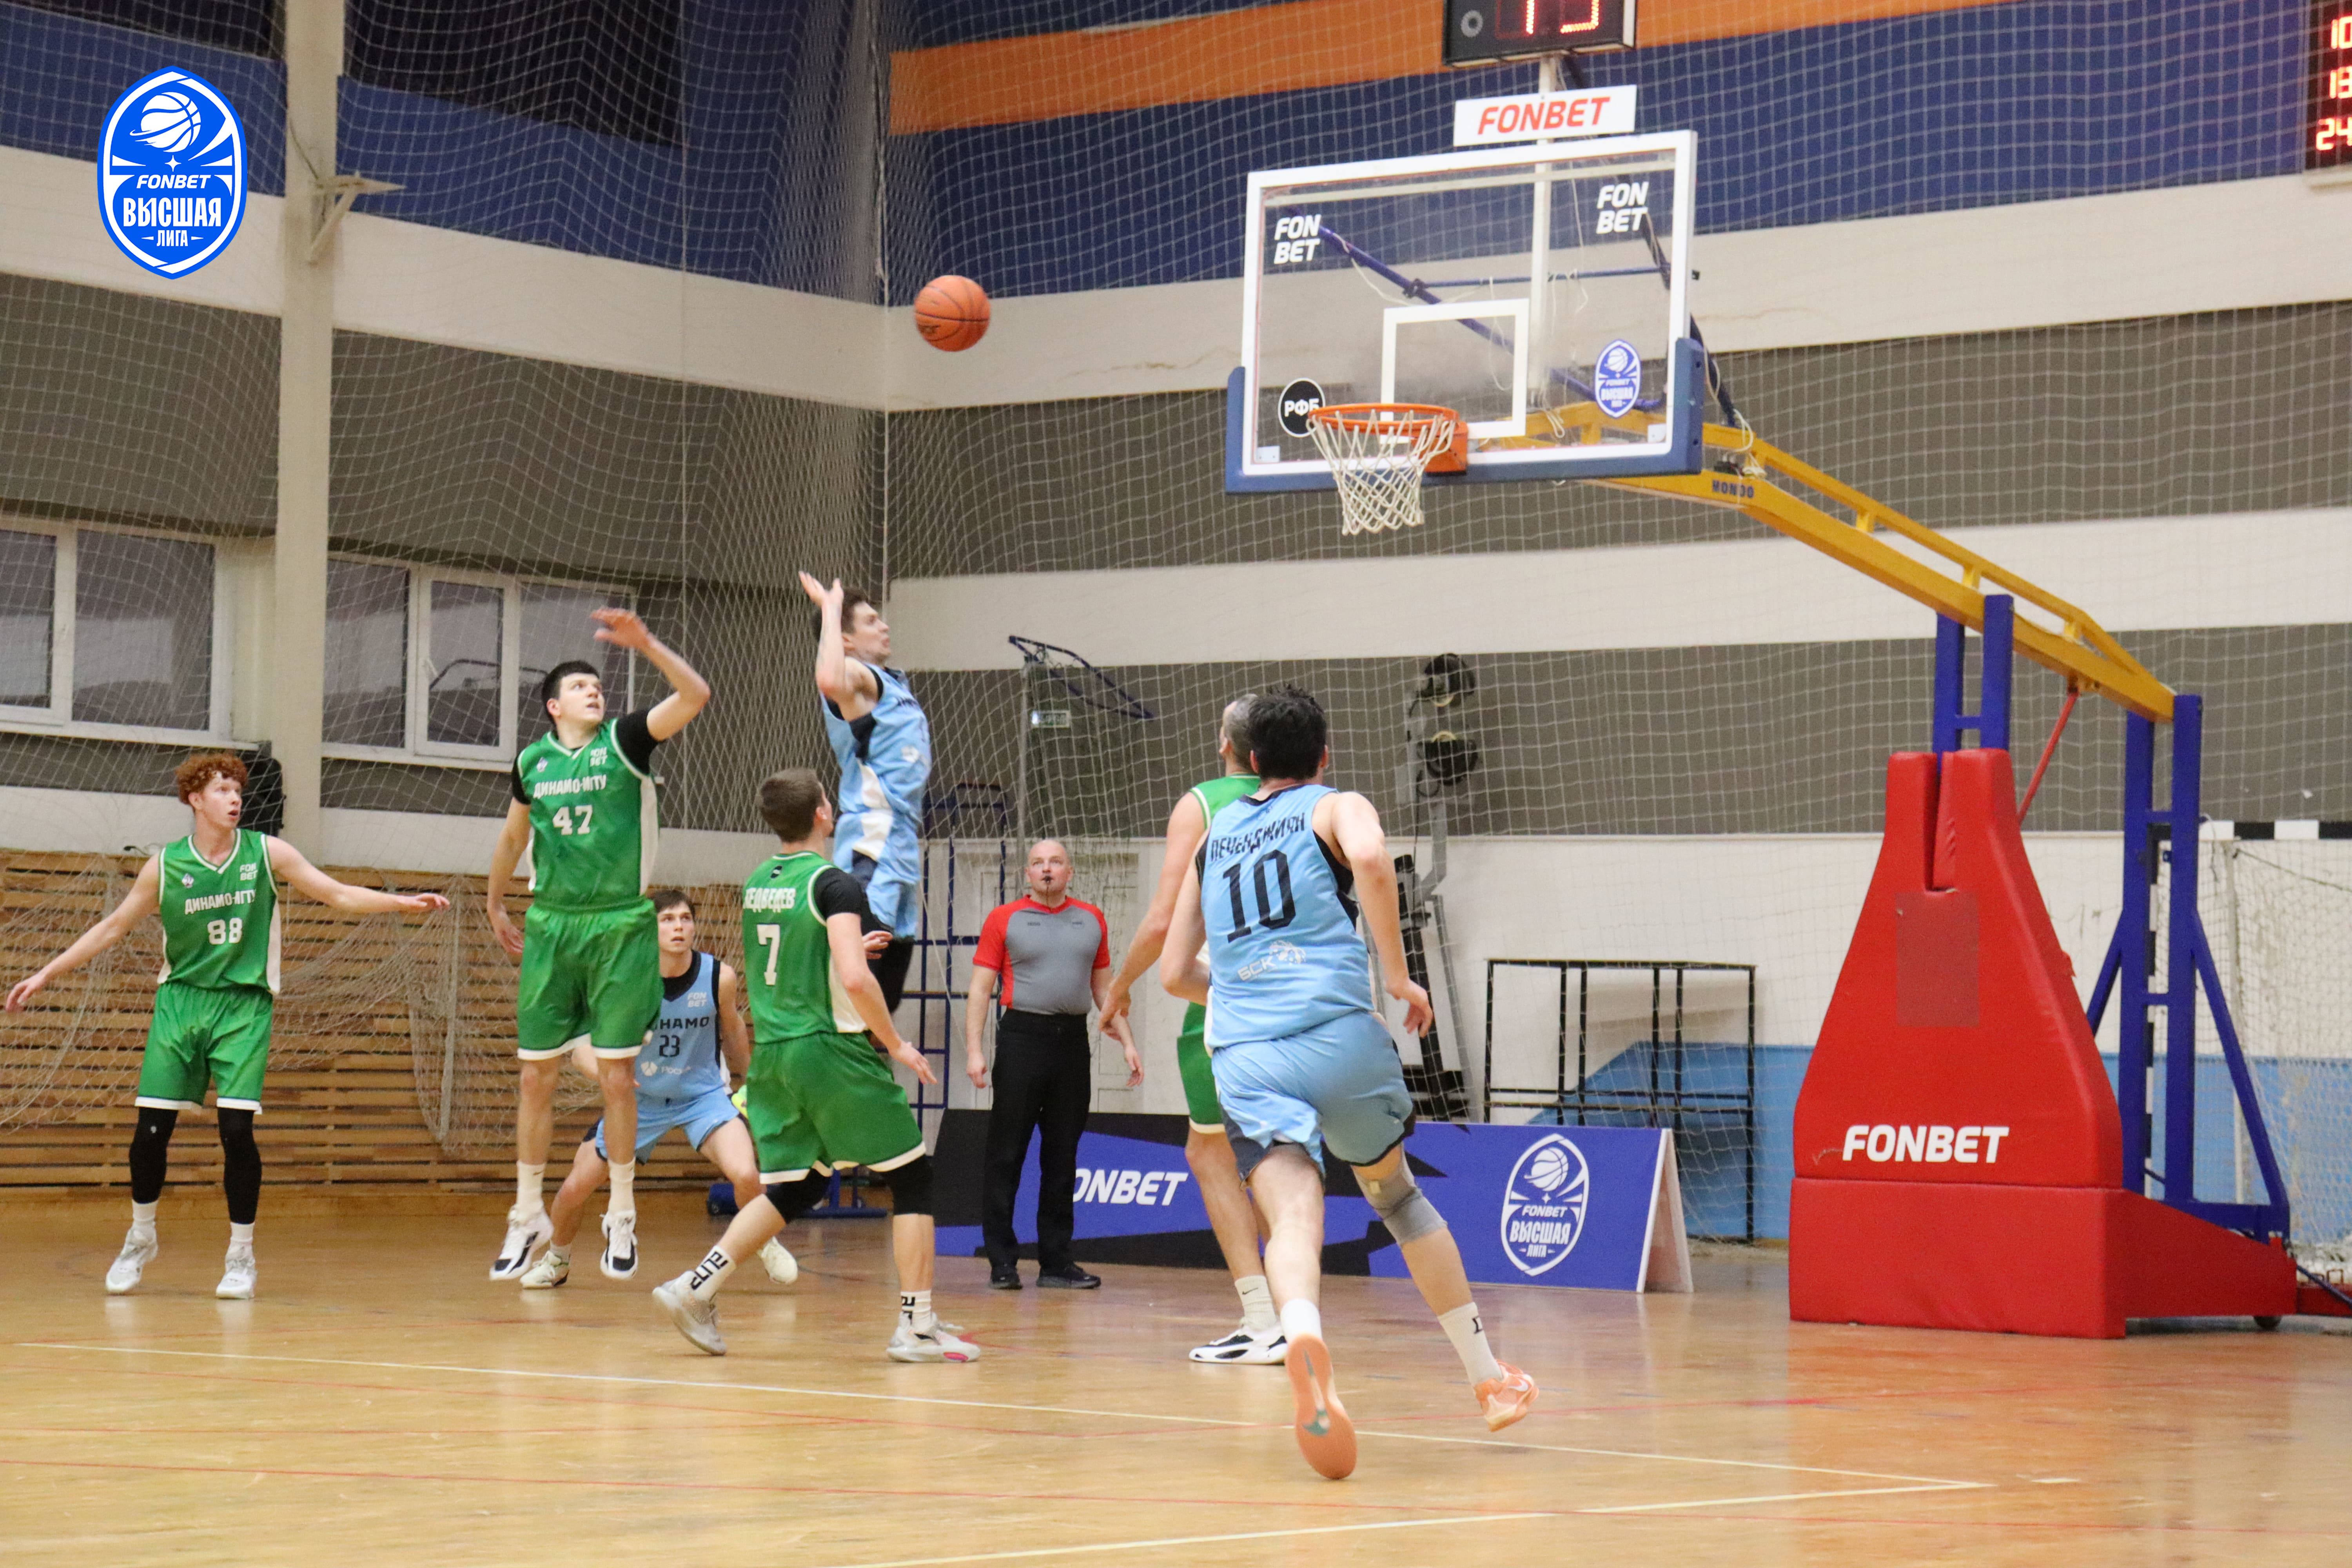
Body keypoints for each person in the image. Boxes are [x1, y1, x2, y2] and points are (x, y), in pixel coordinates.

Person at [1161, 686, 1538, 1480]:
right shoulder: (1336, 805)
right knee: (1397, 1198)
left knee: (1292, 1215)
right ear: (1324, 756)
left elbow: (1173, 972)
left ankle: (1302, 1330)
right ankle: (1489, 1379)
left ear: (1251, 760)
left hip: (1247, 1054)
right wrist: (1398, 978)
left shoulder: (1214, 835)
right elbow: (1370, 860)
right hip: (1338, 1034)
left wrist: (1248, 992)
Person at [5, 752, 448, 1299]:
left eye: (237, 790)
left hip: (243, 1006)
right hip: (181, 1003)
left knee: (237, 1131)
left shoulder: (266, 852)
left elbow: (335, 893)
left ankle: (241, 1255)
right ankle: (141, 1237)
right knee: (150, 1133)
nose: (234, 798)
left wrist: (399, 902)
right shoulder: (166, 865)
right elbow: (113, 927)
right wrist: (45, 974)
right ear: (195, 800)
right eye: (221, 790)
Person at [652, 768, 976, 1363]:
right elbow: (855, 978)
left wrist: (837, 945)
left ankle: (696, 1286)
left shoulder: (759, 882)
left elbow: (786, 953)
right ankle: (918, 1326)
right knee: (913, 1177)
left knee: (800, 1185)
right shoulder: (836, 884)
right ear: (825, 813)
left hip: (775, 1053)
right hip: (827, 1049)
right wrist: (895, 1043)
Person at [485, 608, 711, 1282]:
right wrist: (495, 901)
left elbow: (695, 695)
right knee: (536, 1075)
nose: (594, 692)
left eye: (598, 685)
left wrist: (648, 644)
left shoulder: (626, 741)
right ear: (553, 706)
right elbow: (513, 836)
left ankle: (622, 1211)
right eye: (579, 687)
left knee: (617, 1076)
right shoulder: (532, 762)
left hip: (618, 925)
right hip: (552, 924)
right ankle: (527, 1212)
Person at [1100, 695, 1287, 1363]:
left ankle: (1266, 1319)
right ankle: (1295, 1312)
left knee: (1214, 1157)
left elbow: (1162, 921)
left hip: (1226, 999)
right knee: (1282, 1161)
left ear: (1225, 744)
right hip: (1301, 1001)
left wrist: (1118, 987)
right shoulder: (1309, 801)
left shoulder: (1204, 803)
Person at [520, 889, 797, 1289]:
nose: (678, 927)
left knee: (746, 1173)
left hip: (702, 1096)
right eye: (667, 920)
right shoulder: (624, 981)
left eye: (685, 919)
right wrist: (609, 1077)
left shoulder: (719, 977)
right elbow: (580, 1050)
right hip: (640, 1101)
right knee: (574, 1189)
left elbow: (735, 1032)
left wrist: (755, 1082)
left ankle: (763, 1241)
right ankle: (557, 1261)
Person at [966, 840, 1140, 1291]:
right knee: (1007, 1153)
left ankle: (1057, 1263)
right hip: (1021, 1039)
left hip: (1072, 1043)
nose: (1047, 869)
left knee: (1063, 1156)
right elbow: (980, 988)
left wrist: (1127, 1041)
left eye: (1056, 862)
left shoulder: (1092, 919)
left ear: (1069, 872)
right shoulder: (1004, 918)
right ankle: (1002, 1262)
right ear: (1028, 874)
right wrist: (974, 1050)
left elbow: (1104, 989)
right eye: (1039, 863)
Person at [802, 573, 929, 1014]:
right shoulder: (858, 677)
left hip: (902, 840)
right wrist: (830, 610)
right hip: (874, 840)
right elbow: (829, 679)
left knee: (887, 994)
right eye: (871, 621)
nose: (884, 626)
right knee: (858, 993)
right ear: (846, 641)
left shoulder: (893, 683)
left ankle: (879, 1053)